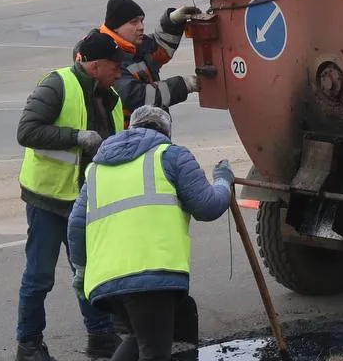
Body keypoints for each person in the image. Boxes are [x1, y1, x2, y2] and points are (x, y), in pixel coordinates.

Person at [67, 105, 234, 361]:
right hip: (151, 276)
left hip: (106, 280)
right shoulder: (170, 155)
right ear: (166, 132)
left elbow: (76, 225)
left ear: (131, 127)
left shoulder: (97, 169)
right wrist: (223, 181)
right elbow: (207, 206)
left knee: (140, 338)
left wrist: (80, 271)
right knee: (153, 350)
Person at [14, 30, 127, 361]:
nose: (119, 73)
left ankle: (101, 335)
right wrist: (76, 136)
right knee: (39, 276)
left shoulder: (111, 97)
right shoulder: (58, 85)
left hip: (86, 201)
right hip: (49, 200)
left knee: (90, 272)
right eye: (115, 67)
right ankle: (29, 345)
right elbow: (27, 131)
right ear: (95, 66)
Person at [75, 0, 202, 119]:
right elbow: (137, 97)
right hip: (128, 132)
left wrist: (172, 22)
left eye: (141, 21)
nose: (141, 27)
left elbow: (159, 48)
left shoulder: (132, 46)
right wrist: (184, 85)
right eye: (134, 22)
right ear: (116, 27)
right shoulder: (106, 58)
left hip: (146, 129)